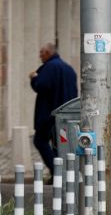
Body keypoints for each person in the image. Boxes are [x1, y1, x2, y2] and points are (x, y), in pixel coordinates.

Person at [30, 43, 78, 175]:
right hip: (66, 114)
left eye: (42, 52)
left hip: (49, 114)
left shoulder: (49, 68)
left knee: (40, 140)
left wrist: (34, 78)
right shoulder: (69, 69)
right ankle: (59, 173)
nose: (40, 55)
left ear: (48, 53)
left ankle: (57, 171)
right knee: (59, 145)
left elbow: (41, 85)